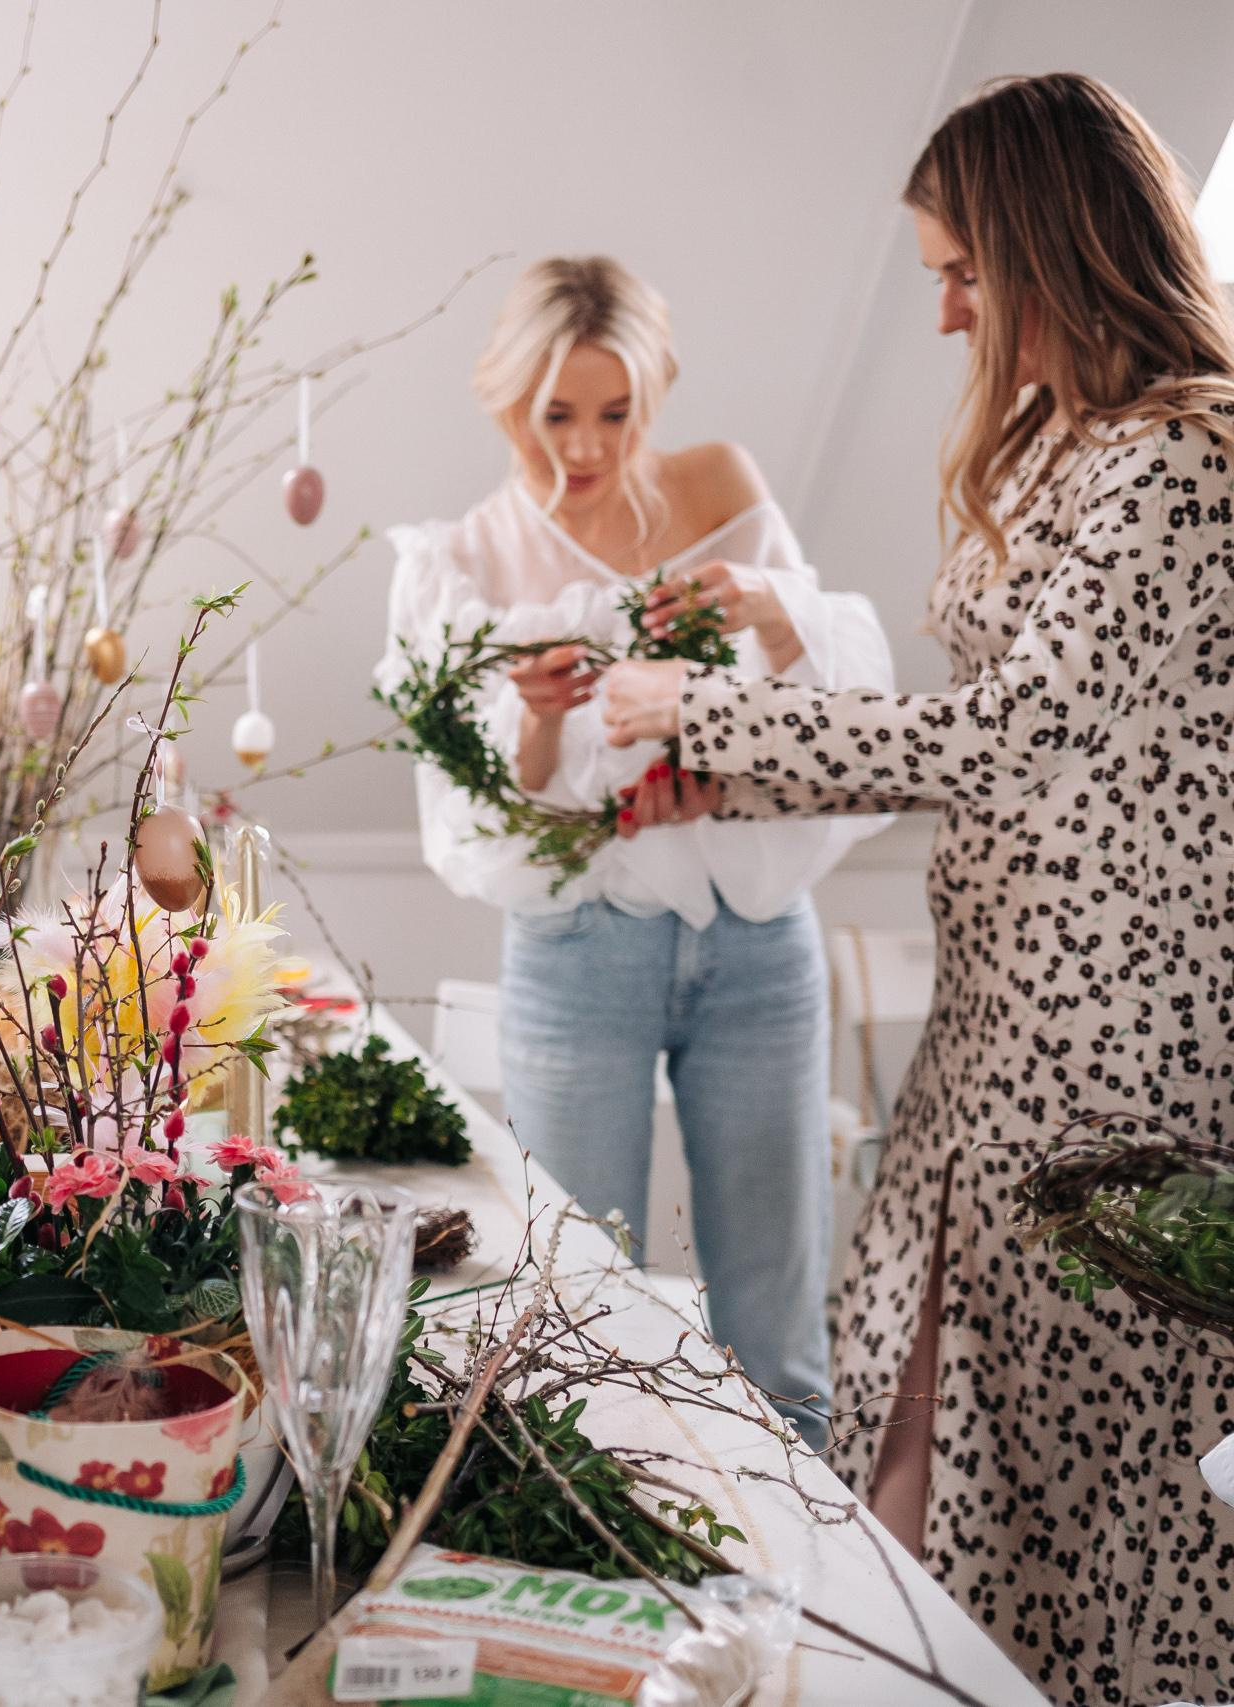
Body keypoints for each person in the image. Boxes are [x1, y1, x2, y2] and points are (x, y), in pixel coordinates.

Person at [600, 74, 1234, 1704]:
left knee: (1077, 1506)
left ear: (1049, 248)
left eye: (964, 270)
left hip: (1114, 1070)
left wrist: (711, 716)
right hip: (997, 1037)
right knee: (922, 1453)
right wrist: (742, 713)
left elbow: (1015, 734)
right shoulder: (1063, 443)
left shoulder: (1181, 465)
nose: (944, 311)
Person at [379, 256, 893, 1449]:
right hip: (578, 960)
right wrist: (547, 716)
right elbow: (483, 814)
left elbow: (811, 709)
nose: (585, 447)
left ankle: (804, 1609)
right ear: (504, 398)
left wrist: (743, 665)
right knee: (583, 1314)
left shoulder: (722, 488)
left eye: (616, 412)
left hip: (759, 944)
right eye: (555, 413)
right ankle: (618, 1583)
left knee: (775, 1334)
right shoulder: (469, 561)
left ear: (654, 393)